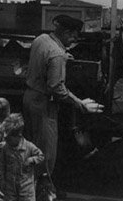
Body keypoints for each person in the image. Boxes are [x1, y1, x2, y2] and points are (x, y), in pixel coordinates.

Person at [22, 13, 93, 188]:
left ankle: (28, 185)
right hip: (44, 102)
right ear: (66, 32)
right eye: (74, 36)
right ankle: (43, 190)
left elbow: (47, 56)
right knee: (46, 150)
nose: (75, 41)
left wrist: (63, 55)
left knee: (31, 144)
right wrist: (79, 102)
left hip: (30, 96)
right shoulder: (57, 54)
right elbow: (56, 87)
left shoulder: (42, 39)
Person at [0, 113, 44, 201]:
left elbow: (41, 156)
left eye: (8, 138)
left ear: (18, 135)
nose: (6, 141)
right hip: (10, 182)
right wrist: (1, 178)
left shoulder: (29, 146)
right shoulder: (6, 148)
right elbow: (1, 164)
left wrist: (31, 159)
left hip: (26, 183)